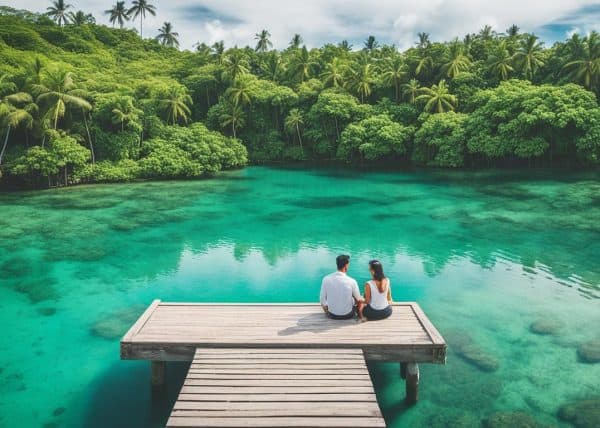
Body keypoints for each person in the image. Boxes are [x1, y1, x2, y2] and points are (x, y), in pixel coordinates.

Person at [320, 255, 362, 319]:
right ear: (346, 265)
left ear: (337, 264)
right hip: (348, 315)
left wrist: (327, 312)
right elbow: (358, 300)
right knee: (357, 297)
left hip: (332, 315)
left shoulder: (326, 279)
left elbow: (322, 299)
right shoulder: (352, 281)